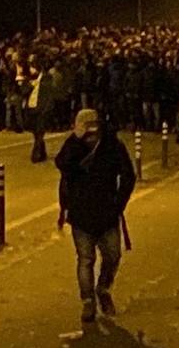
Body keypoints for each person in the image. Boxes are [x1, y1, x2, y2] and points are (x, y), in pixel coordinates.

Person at [55, 109, 136, 324]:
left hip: (107, 212)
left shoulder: (111, 146)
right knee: (86, 259)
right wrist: (75, 140)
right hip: (81, 213)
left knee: (112, 255)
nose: (90, 131)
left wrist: (118, 202)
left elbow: (128, 175)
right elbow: (62, 164)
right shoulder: (73, 147)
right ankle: (88, 301)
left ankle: (103, 288)